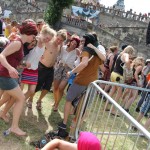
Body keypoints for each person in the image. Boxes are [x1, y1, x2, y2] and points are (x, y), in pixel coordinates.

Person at [58, 33, 104, 130]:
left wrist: (71, 72)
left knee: (68, 100)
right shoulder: (97, 53)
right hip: (93, 82)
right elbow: (102, 64)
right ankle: (75, 125)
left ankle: (64, 123)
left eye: (83, 41)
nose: (82, 43)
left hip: (81, 80)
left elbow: (84, 64)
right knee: (83, 105)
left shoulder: (86, 51)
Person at [0, 21, 38, 136]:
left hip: (5, 74)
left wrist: (22, 65)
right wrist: (10, 68)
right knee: (21, 98)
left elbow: (12, 59)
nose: (33, 38)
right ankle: (14, 127)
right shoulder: (17, 43)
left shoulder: (19, 43)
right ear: (28, 33)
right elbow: (1, 55)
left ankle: (14, 127)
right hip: (4, 74)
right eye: (33, 35)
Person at [28, 29, 67, 110]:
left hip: (51, 69)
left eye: (61, 40)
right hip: (41, 67)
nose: (59, 41)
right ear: (55, 36)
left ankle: (39, 101)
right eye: (58, 38)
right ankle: (30, 100)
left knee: (47, 87)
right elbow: (38, 45)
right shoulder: (48, 42)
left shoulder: (59, 47)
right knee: (37, 86)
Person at [53, 37, 80, 111]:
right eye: (73, 43)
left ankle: (56, 104)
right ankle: (55, 101)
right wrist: (56, 63)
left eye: (75, 44)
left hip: (68, 70)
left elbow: (80, 59)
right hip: (60, 68)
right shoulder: (63, 48)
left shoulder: (76, 51)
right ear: (70, 42)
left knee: (61, 88)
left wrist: (76, 67)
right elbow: (58, 55)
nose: (73, 45)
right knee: (55, 88)